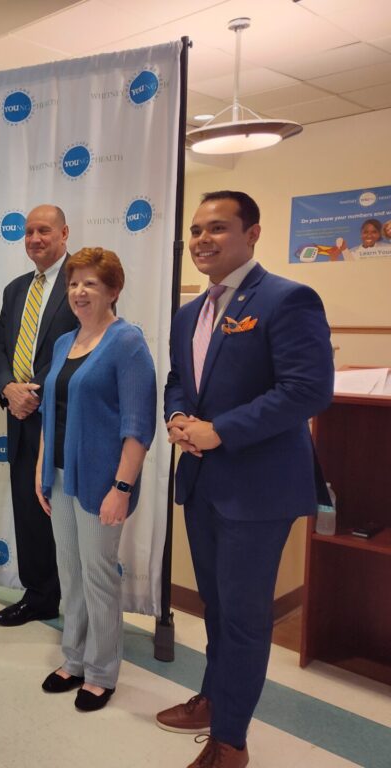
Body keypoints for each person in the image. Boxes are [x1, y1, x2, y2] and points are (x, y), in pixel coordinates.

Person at [160, 191, 334, 768]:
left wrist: (221, 431)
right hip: (203, 482)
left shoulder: (288, 299)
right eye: (196, 230)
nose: (203, 240)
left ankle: (230, 740)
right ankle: (214, 698)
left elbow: (307, 390)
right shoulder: (189, 311)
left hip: (258, 489)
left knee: (242, 614)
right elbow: (179, 380)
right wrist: (179, 417)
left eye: (218, 228)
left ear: (252, 234)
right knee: (215, 605)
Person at [35, 247, 155, 712]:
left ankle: (102, 672)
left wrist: (121, 489)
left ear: (113, 291)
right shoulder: (65, 342)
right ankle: (75, 658)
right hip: (61, 476)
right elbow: (51, 414)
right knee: (71, 572)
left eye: (90, 283)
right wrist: (41, 469)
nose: (79, 291)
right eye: (73, 283)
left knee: (99, 574)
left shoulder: (127, 343)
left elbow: (138, 426)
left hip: (103, 482)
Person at [0, 204, 78, 627]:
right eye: (28, 232)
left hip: (66, 418)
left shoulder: (81, 282)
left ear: (64, 233)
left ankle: (78, 603)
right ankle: (39, 595)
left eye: (43, 230)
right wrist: (9, 389)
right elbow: (0, 349)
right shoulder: (14, 289)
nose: (34, 239)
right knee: (29, 511)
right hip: (21, 419)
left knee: (70, 516)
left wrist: (35, 391)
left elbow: (85, 341)